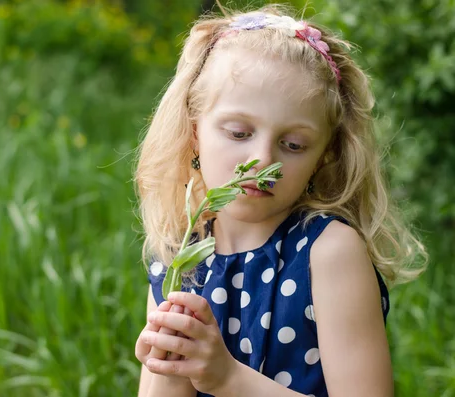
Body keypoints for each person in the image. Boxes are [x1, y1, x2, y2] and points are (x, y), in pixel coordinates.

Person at [133, 4, 427, 397]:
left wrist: (228, 379)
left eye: (293, 144)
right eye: (239, 133)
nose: (262, 160)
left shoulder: (327, 252)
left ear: (323, 155)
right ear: (194, 132)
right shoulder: (179, 253)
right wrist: (167, 367)